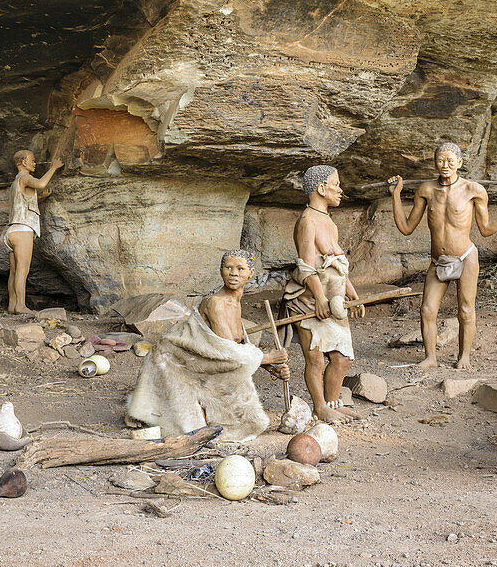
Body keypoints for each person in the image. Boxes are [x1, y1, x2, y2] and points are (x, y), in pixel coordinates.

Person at [388, 142, 497, 369]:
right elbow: (406, 228)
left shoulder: (473, 190)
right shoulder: (425, 190)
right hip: (438, 262)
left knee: (465, 310)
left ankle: (464, 356)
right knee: (427, 310)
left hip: (465, 258)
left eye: (450, 161)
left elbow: (485, 230)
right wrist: (395, 195)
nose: (445, 166)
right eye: (440, 161)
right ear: (435, 163)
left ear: (460, 163)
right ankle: (430, 358)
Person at [126, 250, 289, 441]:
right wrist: (267, 358)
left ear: (251, 273)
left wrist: (272, 369)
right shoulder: (216, 304)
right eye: (228, 268)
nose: (233, 273)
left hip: (201, 361)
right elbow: (228, 353)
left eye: (240, 268)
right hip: (174, 361)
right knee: (191, 429)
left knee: (252, 419)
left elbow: (236, 347)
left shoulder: (235, 304)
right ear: (221, 271)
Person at [282, 165, 362, 423]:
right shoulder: (308, 221)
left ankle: (332, 404)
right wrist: (319, 297)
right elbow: (305, 267)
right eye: (335, 184)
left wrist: (353, 294)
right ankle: (320, 407)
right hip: (309, 301)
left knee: (342, 359)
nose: (340, 190)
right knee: (315, 358)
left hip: (334, 301)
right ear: (321, 188)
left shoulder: (328, 221)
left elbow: (337, 265)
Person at [4, 150, 62, 314]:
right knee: (23, 270)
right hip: (23, 230)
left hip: (11, 231)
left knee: (14, 271)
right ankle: (21, 306)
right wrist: (54, 168)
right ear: (21, 162)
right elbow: (41, 183)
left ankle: (12, 305)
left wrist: (39, 198)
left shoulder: (15, 183)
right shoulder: (25, 177)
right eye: (32, 160)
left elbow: (22, 201)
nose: (34, 163)